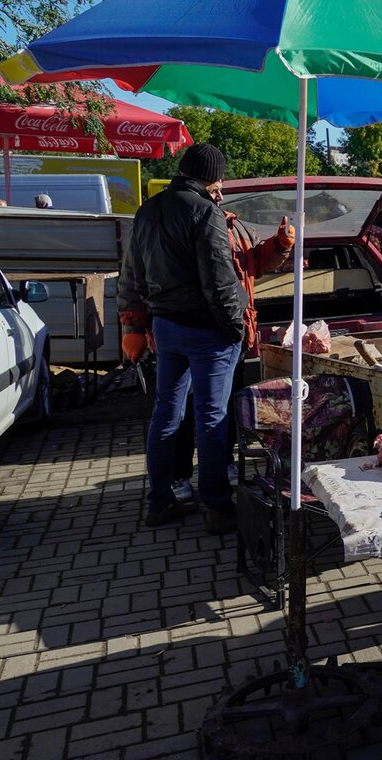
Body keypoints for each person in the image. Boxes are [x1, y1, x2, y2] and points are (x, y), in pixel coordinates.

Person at [118, 143, 245, 534]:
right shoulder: (204, 211)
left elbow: (133, 276)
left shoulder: (149, 209)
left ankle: (160, 502)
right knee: (212, 418)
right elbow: (219, 278)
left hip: (166, 327)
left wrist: (137, 325)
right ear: (212, 177)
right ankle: (219, 507)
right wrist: (234, 325)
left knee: (166, 415)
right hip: (206, 330)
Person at [170, 183, 295, 502]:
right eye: (214, 189)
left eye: (220, 190)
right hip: (193, 330)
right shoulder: (183, 225)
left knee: (224, 407)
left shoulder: (233, 225)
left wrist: (280, 245)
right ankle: (179, 475)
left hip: (232, 333)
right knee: (183, 408)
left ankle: (223, 464)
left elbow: (256, 263)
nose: (220, 196)